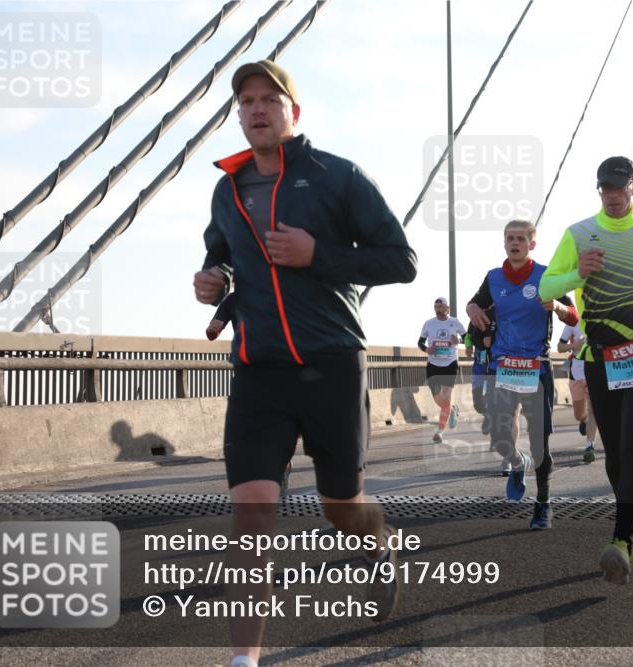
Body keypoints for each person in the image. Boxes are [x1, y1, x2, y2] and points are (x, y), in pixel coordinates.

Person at [193, 60, 417, 667]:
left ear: (295, 110)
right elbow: (225, 255)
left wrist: (320, 254)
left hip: (332, 366)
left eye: (270, 98)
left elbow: (400, 261)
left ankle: (377, 544)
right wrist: (215, 279)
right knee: (253, 511)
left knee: (341, 506)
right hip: (259, 373)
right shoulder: (228, 189)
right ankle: (246, 660)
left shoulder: (337, 177)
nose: (257, 109)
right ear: (238, 113)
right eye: (247, 100)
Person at [540, 155, 633, 585]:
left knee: (630, 444)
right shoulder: (578, 233)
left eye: (620, 187)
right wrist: (575, 274)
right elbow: (546, 289)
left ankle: (620, 541)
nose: (613, 195)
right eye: (605, 188)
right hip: (599, 355)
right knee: (611, 454)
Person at [466, 219, 579, 530]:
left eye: (520, 239)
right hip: (504, 366)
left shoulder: (546, 276)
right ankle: (517, 462)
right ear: (504, 243)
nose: (514, 243)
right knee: (500, 438)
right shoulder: (494, 277)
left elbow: (574, 314)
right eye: (509, 238)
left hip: (537, 366)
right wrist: (472, 310)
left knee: (540, 441)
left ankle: (543, 504)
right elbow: (474, 303)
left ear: (532, 243)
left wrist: (557, 306)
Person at [419, 297, 467, 443]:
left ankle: (439, 432)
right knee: (437, 399)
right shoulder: (429, 324)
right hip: (433, 364)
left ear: (448, 308)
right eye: (436, 305)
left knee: (445, 399)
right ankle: (452, 410)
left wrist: (458, 341)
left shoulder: (455, 322)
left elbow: (468, 338)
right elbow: (420, 342)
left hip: (450, 363)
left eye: (441, 305)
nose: (438, 307)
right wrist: (427, 349)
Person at [559, 322, 599, 462]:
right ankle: (584, 419)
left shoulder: (599, 316)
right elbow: (559, 347)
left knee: (593, 408)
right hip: (576, 370)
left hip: (594, 366)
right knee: (579, 415)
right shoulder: (573, 321)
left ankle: (590, 447)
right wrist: (574, 346)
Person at [464, 305, 496, 435]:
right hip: (479, 364)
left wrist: (493, 340)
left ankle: (495, 432)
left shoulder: (502, 313)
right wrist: (468, 346)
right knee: (477, 404)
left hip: (495, 365)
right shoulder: (477, 314)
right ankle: (488, 416)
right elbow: (468, 336)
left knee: (492, 399)